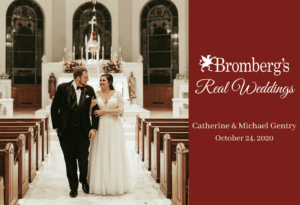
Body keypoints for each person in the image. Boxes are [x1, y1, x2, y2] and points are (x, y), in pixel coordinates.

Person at [51, 67, 99, 198]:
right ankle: (73, 187)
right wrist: (56, 126)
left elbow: (95, 111)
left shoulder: (89, 90)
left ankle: (83, 180)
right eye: (85, 77)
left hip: (84, 131)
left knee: (84, 160)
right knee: (70, 160)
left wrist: (93, 128)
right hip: (66, 132)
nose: (88, 79)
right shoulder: (62, 88)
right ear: (78, 78)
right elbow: (54, 107)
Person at [88, 73, 133, 195]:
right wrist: (90, 106)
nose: (101, 82)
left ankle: (114, 183)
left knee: (113, 151)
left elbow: (121, 110)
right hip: (100, 126)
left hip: (114, 126)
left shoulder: (117, 94)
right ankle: (99, 183)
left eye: (104, 80)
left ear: (110, 82)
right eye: (100, 80)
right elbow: (89, 111)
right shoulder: (95, 94)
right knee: (100, 152)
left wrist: (105, 111)